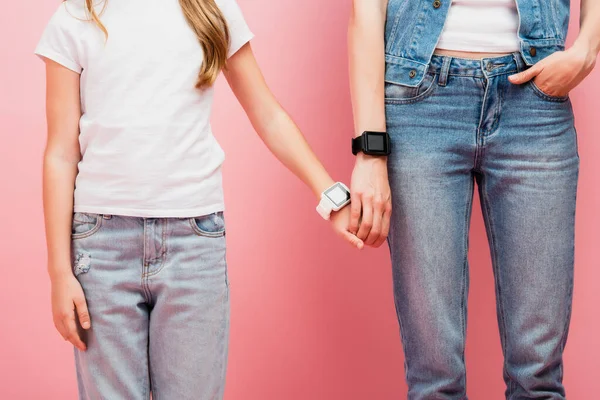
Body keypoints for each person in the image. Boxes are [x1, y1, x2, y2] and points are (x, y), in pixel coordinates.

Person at [35, 0, 361, 398]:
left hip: (193, 244)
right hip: (101, 250)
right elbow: (61, 152)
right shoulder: (75, 17)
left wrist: (329, 194)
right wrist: (58, 273)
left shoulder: (212, 9)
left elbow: (267, 113)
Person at [348, 0, 598, 398]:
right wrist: (370, 151)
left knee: (539, 379)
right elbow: (367, 9)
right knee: (435, 382)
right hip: (419, 104)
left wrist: (588, 45)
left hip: (535, 102)